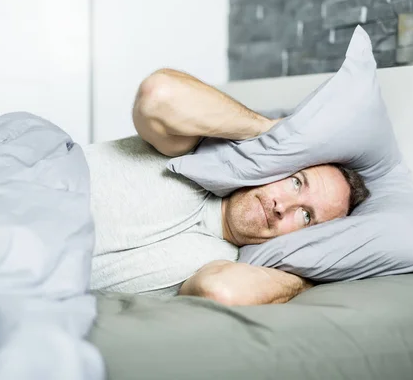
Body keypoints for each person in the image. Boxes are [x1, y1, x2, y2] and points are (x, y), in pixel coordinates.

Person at [85, 69, 370, 306]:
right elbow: (158, 95)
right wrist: (270, 133)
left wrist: (309, 277)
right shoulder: (189, 154)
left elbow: (221, 292)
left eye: (306, 217)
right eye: (296, 183)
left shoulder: (221, 263)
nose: (282, 206)